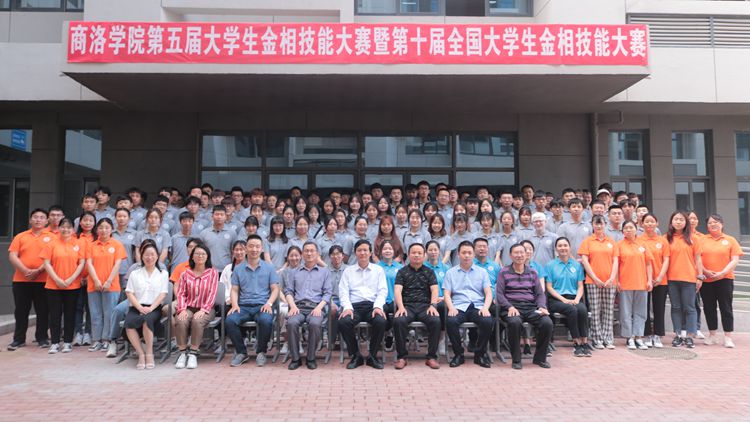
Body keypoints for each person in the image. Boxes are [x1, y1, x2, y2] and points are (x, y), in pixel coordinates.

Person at [226, 234, 280, 367]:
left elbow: (275, 289)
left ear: (261, 249)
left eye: (257, 246)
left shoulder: (269, 267)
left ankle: (261, 352)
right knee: (230, 320)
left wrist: (269, 303)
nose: (254, 249)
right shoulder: (238, 268)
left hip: (262, 305)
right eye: (251, 246)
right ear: (246, 248)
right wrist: (235, 305)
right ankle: (241, 352)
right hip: (243, 306)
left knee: (266, 320)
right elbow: (234, 290)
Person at [497, 243, 554, 369]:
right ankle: (516, 360)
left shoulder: (533, 272)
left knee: (547, 323)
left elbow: (539, 293)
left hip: (530, 307)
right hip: (511, 308)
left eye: (521, 252)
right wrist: (509, 307)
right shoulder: (503, 272)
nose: (519, 255)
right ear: (510, 255)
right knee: (515, 323)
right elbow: (499, 295)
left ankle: (540, 358)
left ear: (526, 254)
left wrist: (541, 306)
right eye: (516, 253)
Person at [338, 239, 388, 370]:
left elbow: (382, 291)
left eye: (365, 250)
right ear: (355, 253)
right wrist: (347, 308)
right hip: (354, 307)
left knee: (381, 321)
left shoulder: (378, 270)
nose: (362, 253)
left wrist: (378, 306)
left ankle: (372, 356)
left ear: (370, 253)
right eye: (359, 250)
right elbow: (343, 291)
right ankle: (356, 355)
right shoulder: (348, 271)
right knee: (343, 322)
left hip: (372, 306)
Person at [443, 241, 494, 368]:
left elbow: (488, 293)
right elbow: (447, 293)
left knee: (487, 321)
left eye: (469, 253)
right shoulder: (451, 272)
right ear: (458, 254)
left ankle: (480, 354)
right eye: (464, 252)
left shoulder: (482, 272)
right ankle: (458, 354)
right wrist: (451, 307)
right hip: (458, 306)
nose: (466, 255)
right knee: (451, 321)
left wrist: (485, 308)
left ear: (473, 254)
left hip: (477, 306)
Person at [392, 243, 442, 369]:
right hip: (407, 306)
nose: (416, 255)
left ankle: (431, 357)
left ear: (424, 255)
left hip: (425, 306)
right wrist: (401, 307)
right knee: (398, 321)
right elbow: (397, 290)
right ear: (408, 255)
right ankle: (402, 357)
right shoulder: (402, 272)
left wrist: (433, 305)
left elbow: (434, 289)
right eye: (413, 253)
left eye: (419, 253)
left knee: (435, 321)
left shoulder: (429, 272)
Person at [7, 208, 51, 350]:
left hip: (44, 280)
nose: (38, 220)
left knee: (43, 310)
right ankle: (18, 339)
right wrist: (26, 271)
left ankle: (42, 338)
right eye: (35, 217)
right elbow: (12, 256)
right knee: (21, 311)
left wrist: (38, 271)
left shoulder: (52, 237)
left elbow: (52, 258)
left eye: (42, 217)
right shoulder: (20, 236)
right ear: (30, 220)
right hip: (21, 280)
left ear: (47, 221)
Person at [285, 241, 332, 370]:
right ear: (302, 254)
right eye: (306, 251)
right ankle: (295, 359)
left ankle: (311, 358)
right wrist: (293, 306)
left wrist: (319, 308)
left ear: (317, 254)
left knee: (315, 324)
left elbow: (328, 293)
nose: (309, 253)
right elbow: (288, 292)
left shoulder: (324, 272)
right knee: (291, 323)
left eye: (312, 251)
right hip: (298, 307)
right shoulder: (293, 272)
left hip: (315, 307)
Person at [41, 217, 84, 354]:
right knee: (55, 315)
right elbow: (46, 263)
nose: (66, 229)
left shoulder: (78, 244)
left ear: (73, 229)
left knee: (70, 314)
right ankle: (54, 342)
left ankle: (67, 342)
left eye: (69, 227)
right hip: (53, 285)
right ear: (59, 228)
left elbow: (81, 263)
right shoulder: (51, 244)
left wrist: (71, 279)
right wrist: (57, 279)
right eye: (63, 227)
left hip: (73, 285)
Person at [699, 214, 742, 348]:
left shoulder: (730, 240)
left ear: (722, 224)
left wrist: (723, 272)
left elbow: (735, 259)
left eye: (716, 222)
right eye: (710, 222)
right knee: (709, 307)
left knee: (726, 307)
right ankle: (712, 335)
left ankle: (728, 337)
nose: (713, 224)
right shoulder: (701, 239)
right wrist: (705, 271)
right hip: (707, 280)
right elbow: (697, 259)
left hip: (725, 279)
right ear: (707, 226)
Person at [124, 242, 169, 370]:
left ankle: (149, 353)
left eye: (152, 254)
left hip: (154, 307)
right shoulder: (135, 273)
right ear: (142, 256)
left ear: (157, 256)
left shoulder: (163, 273)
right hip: (137, 306)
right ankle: (141, 354)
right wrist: (139, 307)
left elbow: (163, 293)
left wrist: (150, 308)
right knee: (129, 323)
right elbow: (129, 292)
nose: (149, 257)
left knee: (147, 320)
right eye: (146, 255)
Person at [174, 243, 219, 370]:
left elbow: (212, 293)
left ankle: (193, 353)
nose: (200, 256)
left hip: (207, 308)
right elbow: (181, 293)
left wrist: (203, 310)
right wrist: (182, 309)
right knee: (181, 320)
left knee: (197, 320)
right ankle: (182, 353)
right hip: (189, 307)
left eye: (203, 254)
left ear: (207, 257)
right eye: (197, 254)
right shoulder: (185, 274)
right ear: (192, 257)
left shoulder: (213, 273)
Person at [85, 218, 126, 352]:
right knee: (95, 314)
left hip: (111, 285)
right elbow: (89, 263)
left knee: (109, 314)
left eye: (107, 227)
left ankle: (108, 339)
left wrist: (108, 281)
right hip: (94, 285)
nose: (104, 230)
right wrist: (96, 280)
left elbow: (117, 264)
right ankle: (96, 340)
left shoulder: (117, 245)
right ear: (97, 230)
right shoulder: (91, 245)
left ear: (112, 229)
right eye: (101, 227)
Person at [545, 237, 590, 357]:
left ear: (570, 248)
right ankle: (576, 343)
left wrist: (577, 299)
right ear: (556, 249)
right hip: (556, 299)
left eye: (565, 245)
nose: (563, 248)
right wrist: (563, 300)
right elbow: (549, 287)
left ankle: (584, 342)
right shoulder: (550, 265)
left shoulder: (576, 265)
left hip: (574, 297)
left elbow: (580, 286)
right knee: (572, 310)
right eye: (560, 246)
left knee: (582, 309)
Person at [579, 215, 619, 349]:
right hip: (592, 281)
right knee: (595, 310)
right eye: (596, 224)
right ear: (592, 225)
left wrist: (612, 278)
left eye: (601, 223)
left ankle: (608, 338)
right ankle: (597, 338)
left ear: (605, 224)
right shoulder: (587, 241)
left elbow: (616, 261)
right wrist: (595, 278)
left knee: (608, 310)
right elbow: (585, 261)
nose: (599, 226)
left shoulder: (611, 242)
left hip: (610, 281)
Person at [666, 211, 703, 348]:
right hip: (671, 279)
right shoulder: (666, 238)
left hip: (689, 279)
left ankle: (689, 336)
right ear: (671, 222)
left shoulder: (694, 239)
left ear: (686, 222)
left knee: (690, 308)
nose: (678, 222)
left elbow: (698, 259)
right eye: (676, 219)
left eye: (681, 219)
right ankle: (678, 335)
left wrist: (700, 276)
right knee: (676, 307)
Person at [617, 220, 654, 350]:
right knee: (626, 312)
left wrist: (649, 280)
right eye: (626, 228)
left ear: (636, 229)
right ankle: (629, 337)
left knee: (641, 311)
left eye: (631, 227)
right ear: (622, 231)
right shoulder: (619, 245)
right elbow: (616, 265)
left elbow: (648, 264)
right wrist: (617, 281)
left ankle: (638, 336)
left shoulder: (642, 244)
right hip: (625, 283)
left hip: (641, 283)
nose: (628, 230)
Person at [638, 214, 670, 348]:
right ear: (642, 224)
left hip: (660, 280)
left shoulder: (662, 241)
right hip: (643, 280)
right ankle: (646, 334)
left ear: (657, 224)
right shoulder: (638, 240)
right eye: (647, 222)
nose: (650, 224)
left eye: (652, 222)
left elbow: (666, 259)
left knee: (659, 308)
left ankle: (658, 335)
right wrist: (647, 278)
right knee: (644, 308)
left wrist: (660, 276)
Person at [199, 205, 236, 271]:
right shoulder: (204, 233)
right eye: (217, 214)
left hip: (226, 270)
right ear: (212, 216)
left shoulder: (232, 233)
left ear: (225, 216)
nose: (219, 217)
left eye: (222, 214)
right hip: (208, 269)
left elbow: (234, 252)